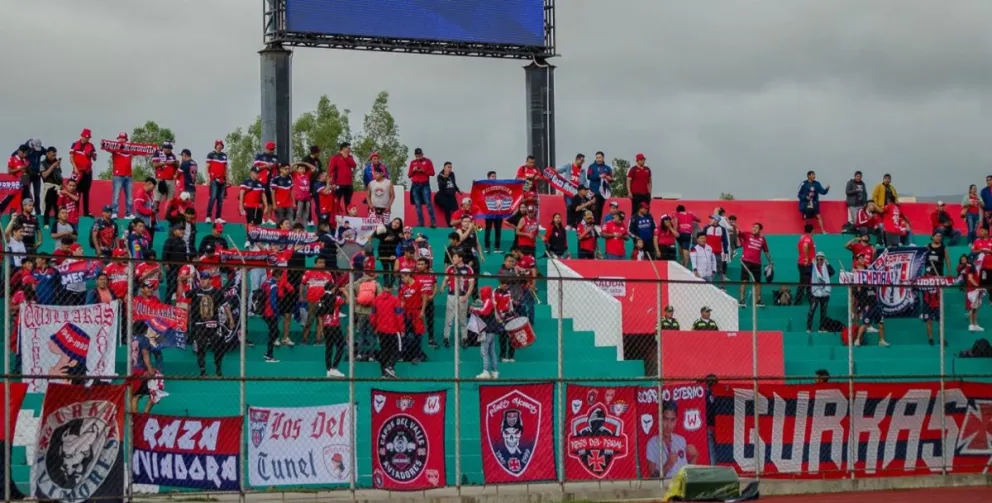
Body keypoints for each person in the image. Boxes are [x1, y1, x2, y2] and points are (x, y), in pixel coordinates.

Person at [645, 400, 699, 479]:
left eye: (672, 420)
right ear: (659, 419)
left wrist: (695, 456)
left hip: (682, 483)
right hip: (665, 487)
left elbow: (688, 473)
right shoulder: (652, 443)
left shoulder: (681, 440)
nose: (668, 425)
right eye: (665, 419)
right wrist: (668, 465)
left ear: (676, 420)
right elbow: (653, 477)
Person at [852, 253, 890, 346]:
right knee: (865, 322)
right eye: (859, 258)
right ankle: (857, 340)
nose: (862, 259)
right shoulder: (856, 272)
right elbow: (857, 289)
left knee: (881, 322)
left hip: (874, 301)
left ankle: (881, 340)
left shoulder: (869, 270)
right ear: (856, 261)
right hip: (866, 302)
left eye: (863, 258)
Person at [370, 286, 405, 378]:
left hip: (381, 330)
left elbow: (373, 316)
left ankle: (383, 373)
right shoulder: (395, 300)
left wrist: (375, 327)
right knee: (398, 349)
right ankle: (390, 367)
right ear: (391, 289)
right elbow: (399, 316)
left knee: (384, 351)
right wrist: (402, 329)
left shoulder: (376, 300)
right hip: (394, 330)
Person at [443, 251, 474, 348]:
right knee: (449, 318)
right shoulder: (450, 268)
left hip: (462, 296)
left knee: (463, 319)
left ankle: (464, 339)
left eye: (455, 257)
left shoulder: (468, 269)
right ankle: (446, 338)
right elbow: (446, 279)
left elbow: (471, 285)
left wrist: (466, 296)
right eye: (452, 257)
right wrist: (442, 287)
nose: (453, 259)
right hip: (451, 296)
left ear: (460, 258)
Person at [316, 282, 348, 377]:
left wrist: (321, 329)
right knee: (341, 346)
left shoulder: (321, 299)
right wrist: (345, 291)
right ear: (333, 289)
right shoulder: (336, 298)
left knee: (329, 347)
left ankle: (328, 370)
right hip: (334, 326)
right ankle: (334, 368)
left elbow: (320, 316)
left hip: (326, 326)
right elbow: (349, 301)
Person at [470, 285, 502, 379]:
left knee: (484, 351)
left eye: (481, 292)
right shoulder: (487, 301)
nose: (480, 294)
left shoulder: (488, 301)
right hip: (489, 330)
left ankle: (486, 371)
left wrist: (474, 309)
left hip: (487, 330)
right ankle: (495, 371)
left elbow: (484, 312)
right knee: (491, 351)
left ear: (485, 292)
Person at [738, 222, 773, 308]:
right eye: (753, 227)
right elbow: (737, 232)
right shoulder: (747, 234)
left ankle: (758, 301)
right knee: (744, 281)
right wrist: (733, 225)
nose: (754, 228)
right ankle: (741, 300)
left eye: (756, 227)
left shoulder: (762, 239)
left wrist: (770, 261)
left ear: (760, 230)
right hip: (746, 261)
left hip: (757, 263)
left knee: (757, 283)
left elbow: (766, 252)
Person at [129, 328, 162, 414]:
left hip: (133, 370)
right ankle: (145, 414)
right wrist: (151, 370)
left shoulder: (132, 339)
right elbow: (145, 356)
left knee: (135, 396)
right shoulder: (144, 339)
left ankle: (134, 419)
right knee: (156, 391)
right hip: (142, 371)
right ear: (145, 329)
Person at [398, 269, 428, 363]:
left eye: (403, 277)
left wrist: (422, 311)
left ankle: (418, 355)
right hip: (406, 314)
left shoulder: (418, 284)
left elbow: (424, 298)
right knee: (405, 336)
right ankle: (405, 355)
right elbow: (401, 300)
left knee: (417, 335)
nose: (402, 279)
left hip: (416, 313)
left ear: (408, 276)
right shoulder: (403, 287)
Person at [103, 132, 135, 218]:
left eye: (123, 138)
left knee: (129, 196)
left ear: (126, 139)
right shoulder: (115, 148)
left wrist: (151, 149)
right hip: (118, 175)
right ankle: (114, 212)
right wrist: (104, 144)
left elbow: (141, 150)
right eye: (120, 138)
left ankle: (128, 213)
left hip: (128, 175)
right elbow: (106, 147)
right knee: (116, 195)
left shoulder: (130, 148)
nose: (121, 139)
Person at [353, 267, 382, 361]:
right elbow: (380, 296)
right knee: (372, 334)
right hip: (371, 312)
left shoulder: (360, 283)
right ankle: (371, 355)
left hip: (360, 311)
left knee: (361, 334)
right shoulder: (376, 284)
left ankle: (359, 354)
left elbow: (349, 287)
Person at [69, 128, 97, 216]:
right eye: (85, 137)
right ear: (82, 136)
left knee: (86, 192)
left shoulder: (91, 146)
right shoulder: (75, 144)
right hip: (77, 171)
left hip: (87, 172)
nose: (86, 139)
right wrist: (75, 168)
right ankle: (75, 210)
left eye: (88, 138)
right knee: (75, 191)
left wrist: (91, 154)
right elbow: (71, 157)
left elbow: (95, 158)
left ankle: (86, 211)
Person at [408, 147, 437, 227]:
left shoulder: (428, 161)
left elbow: (432, 173)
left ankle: (433, 222)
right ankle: (421, 223)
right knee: (417, 205)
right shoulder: (413, 162)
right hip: (415, 185)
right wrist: (413, 170)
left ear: (422, 154)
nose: (418, 157)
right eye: (417, 156)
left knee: (428, 203)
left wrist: (423, 170)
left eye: (420, 155)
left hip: (425, 185)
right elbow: (409, 175)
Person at [413, 257, 438, 349]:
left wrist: (433, 295)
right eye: (418, 264)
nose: (419, 266)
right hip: (418, 303)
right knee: (417, 321)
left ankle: (431, 340)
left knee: (430, 321)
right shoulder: (414, 274)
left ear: (426, 265)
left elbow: (435, 285)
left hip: (429, 301)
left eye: (421, 264)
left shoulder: (431, 274)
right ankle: (417, 341)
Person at [151, 141, 179, 215]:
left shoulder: (172, 155)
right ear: (163, 148)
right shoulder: (158, 153)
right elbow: (155, 164)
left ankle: (168, 214)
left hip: (171, 179)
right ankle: (154, 213)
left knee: (170, 199)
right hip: (160, 179)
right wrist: (166, 163)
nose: (169, 150)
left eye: (170, 148)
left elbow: (176, 167)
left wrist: (176, 164)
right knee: (157, 198)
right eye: (167, 148)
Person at [328, 142, 357, 214]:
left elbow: (354, 165)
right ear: (343, 148)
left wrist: (346, 157)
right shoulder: (335, 157)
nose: (350, 149)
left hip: (349, 183)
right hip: (338, 184)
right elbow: (330, 171)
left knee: (348, 201)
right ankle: (336, 217)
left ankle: (349, 217)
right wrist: (333, 183)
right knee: (336, 201)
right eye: (348, 148)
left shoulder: (350, 157)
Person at [808, 252, 833, 333]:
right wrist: (811, 264)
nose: (819, 261)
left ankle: (821, 327)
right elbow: (807, 272)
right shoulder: (813, 266)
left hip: (825, 291)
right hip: (815, 291)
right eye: (817, 259)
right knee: (812, 309)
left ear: (824, 259)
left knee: (823, 310)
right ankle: (808, 328)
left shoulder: (826, 267)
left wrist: (828, 264)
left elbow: (832, 272)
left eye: (821, 259)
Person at [205, 140, 229, 223]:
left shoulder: (224, 155)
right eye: (218, 145)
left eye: (221, 145)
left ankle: (217, 217)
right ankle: (208, 216)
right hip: (214, 179)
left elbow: (226, 168)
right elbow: (207, 167)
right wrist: (207, 178)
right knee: (213, 197)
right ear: (215, 146)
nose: (219, 146)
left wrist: (228, 179)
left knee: (220, 199)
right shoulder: (211, 154)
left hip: (223, 180)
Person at [586, 151, 613, 222]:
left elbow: (611, 179)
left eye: (599, 157)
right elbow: (589, 176)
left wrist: (609, 179)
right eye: (597, 157)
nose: (598, 159)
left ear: (603, 158)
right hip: (594, 192)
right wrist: (598, 176)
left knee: (600, 210)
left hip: (603, 193)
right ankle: (591, 226)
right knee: (593, 209)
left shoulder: (608, 168)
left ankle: (597, 226)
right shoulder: (592, 166)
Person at [40, 147, 62, 228]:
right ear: (47, 154)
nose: (54, 157)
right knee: (47, 206)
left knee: (57, 206)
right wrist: (53, 166)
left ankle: (57, 222)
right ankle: (46, 223)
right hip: (48, 185)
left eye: (55, 155)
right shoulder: (42, 163)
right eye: (52, 155)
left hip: (57, 186)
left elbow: (59, 175)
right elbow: (44, 175)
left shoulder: (57, 162)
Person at [703, 215, 730, 281]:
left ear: (716, 220)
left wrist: (726, 250)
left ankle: (722, 286)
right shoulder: (706, 228)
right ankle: (706, 282)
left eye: (712, 219)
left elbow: (725, 240)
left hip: (717, 252)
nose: (710, 220)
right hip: (707, 252)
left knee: (720, 269)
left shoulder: (722, 229)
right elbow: (702, 238)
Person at [795, 224, 816, 304]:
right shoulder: (808, 238)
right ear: (812, 230)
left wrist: (801, 255)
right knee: (804, 283)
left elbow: (797, 247)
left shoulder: (802, 238)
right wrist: (806, 257)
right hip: (806, 264)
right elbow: (805, 245)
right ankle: (798, 301)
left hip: (802, 263)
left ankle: (810, 299)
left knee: (806, 282)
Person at [435, 162, 461, 226]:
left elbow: (454, 183)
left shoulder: (452, 174)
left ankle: (458, 225)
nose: (450, 169)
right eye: (448, 167)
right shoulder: (440, 176)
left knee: (457, 211)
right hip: (444, 196)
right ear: (444, 168)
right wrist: (445, 178)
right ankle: (449, 226)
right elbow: (441, 187)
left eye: (450, 167)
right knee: (447, 210)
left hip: (451, 196)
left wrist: (458, 190)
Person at [291, 161, 313, 226]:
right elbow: (290, 168)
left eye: (303, 168)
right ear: (297, 169)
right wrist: (296, 163)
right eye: (300, 168)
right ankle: (295, 227)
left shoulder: (307, 174)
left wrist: (305, 163)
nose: (302, 169)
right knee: (298, 214)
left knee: (306, 215)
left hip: (307, 198)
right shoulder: (295, 174)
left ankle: (305, 229)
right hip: (298, 198)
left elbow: (313, 168)